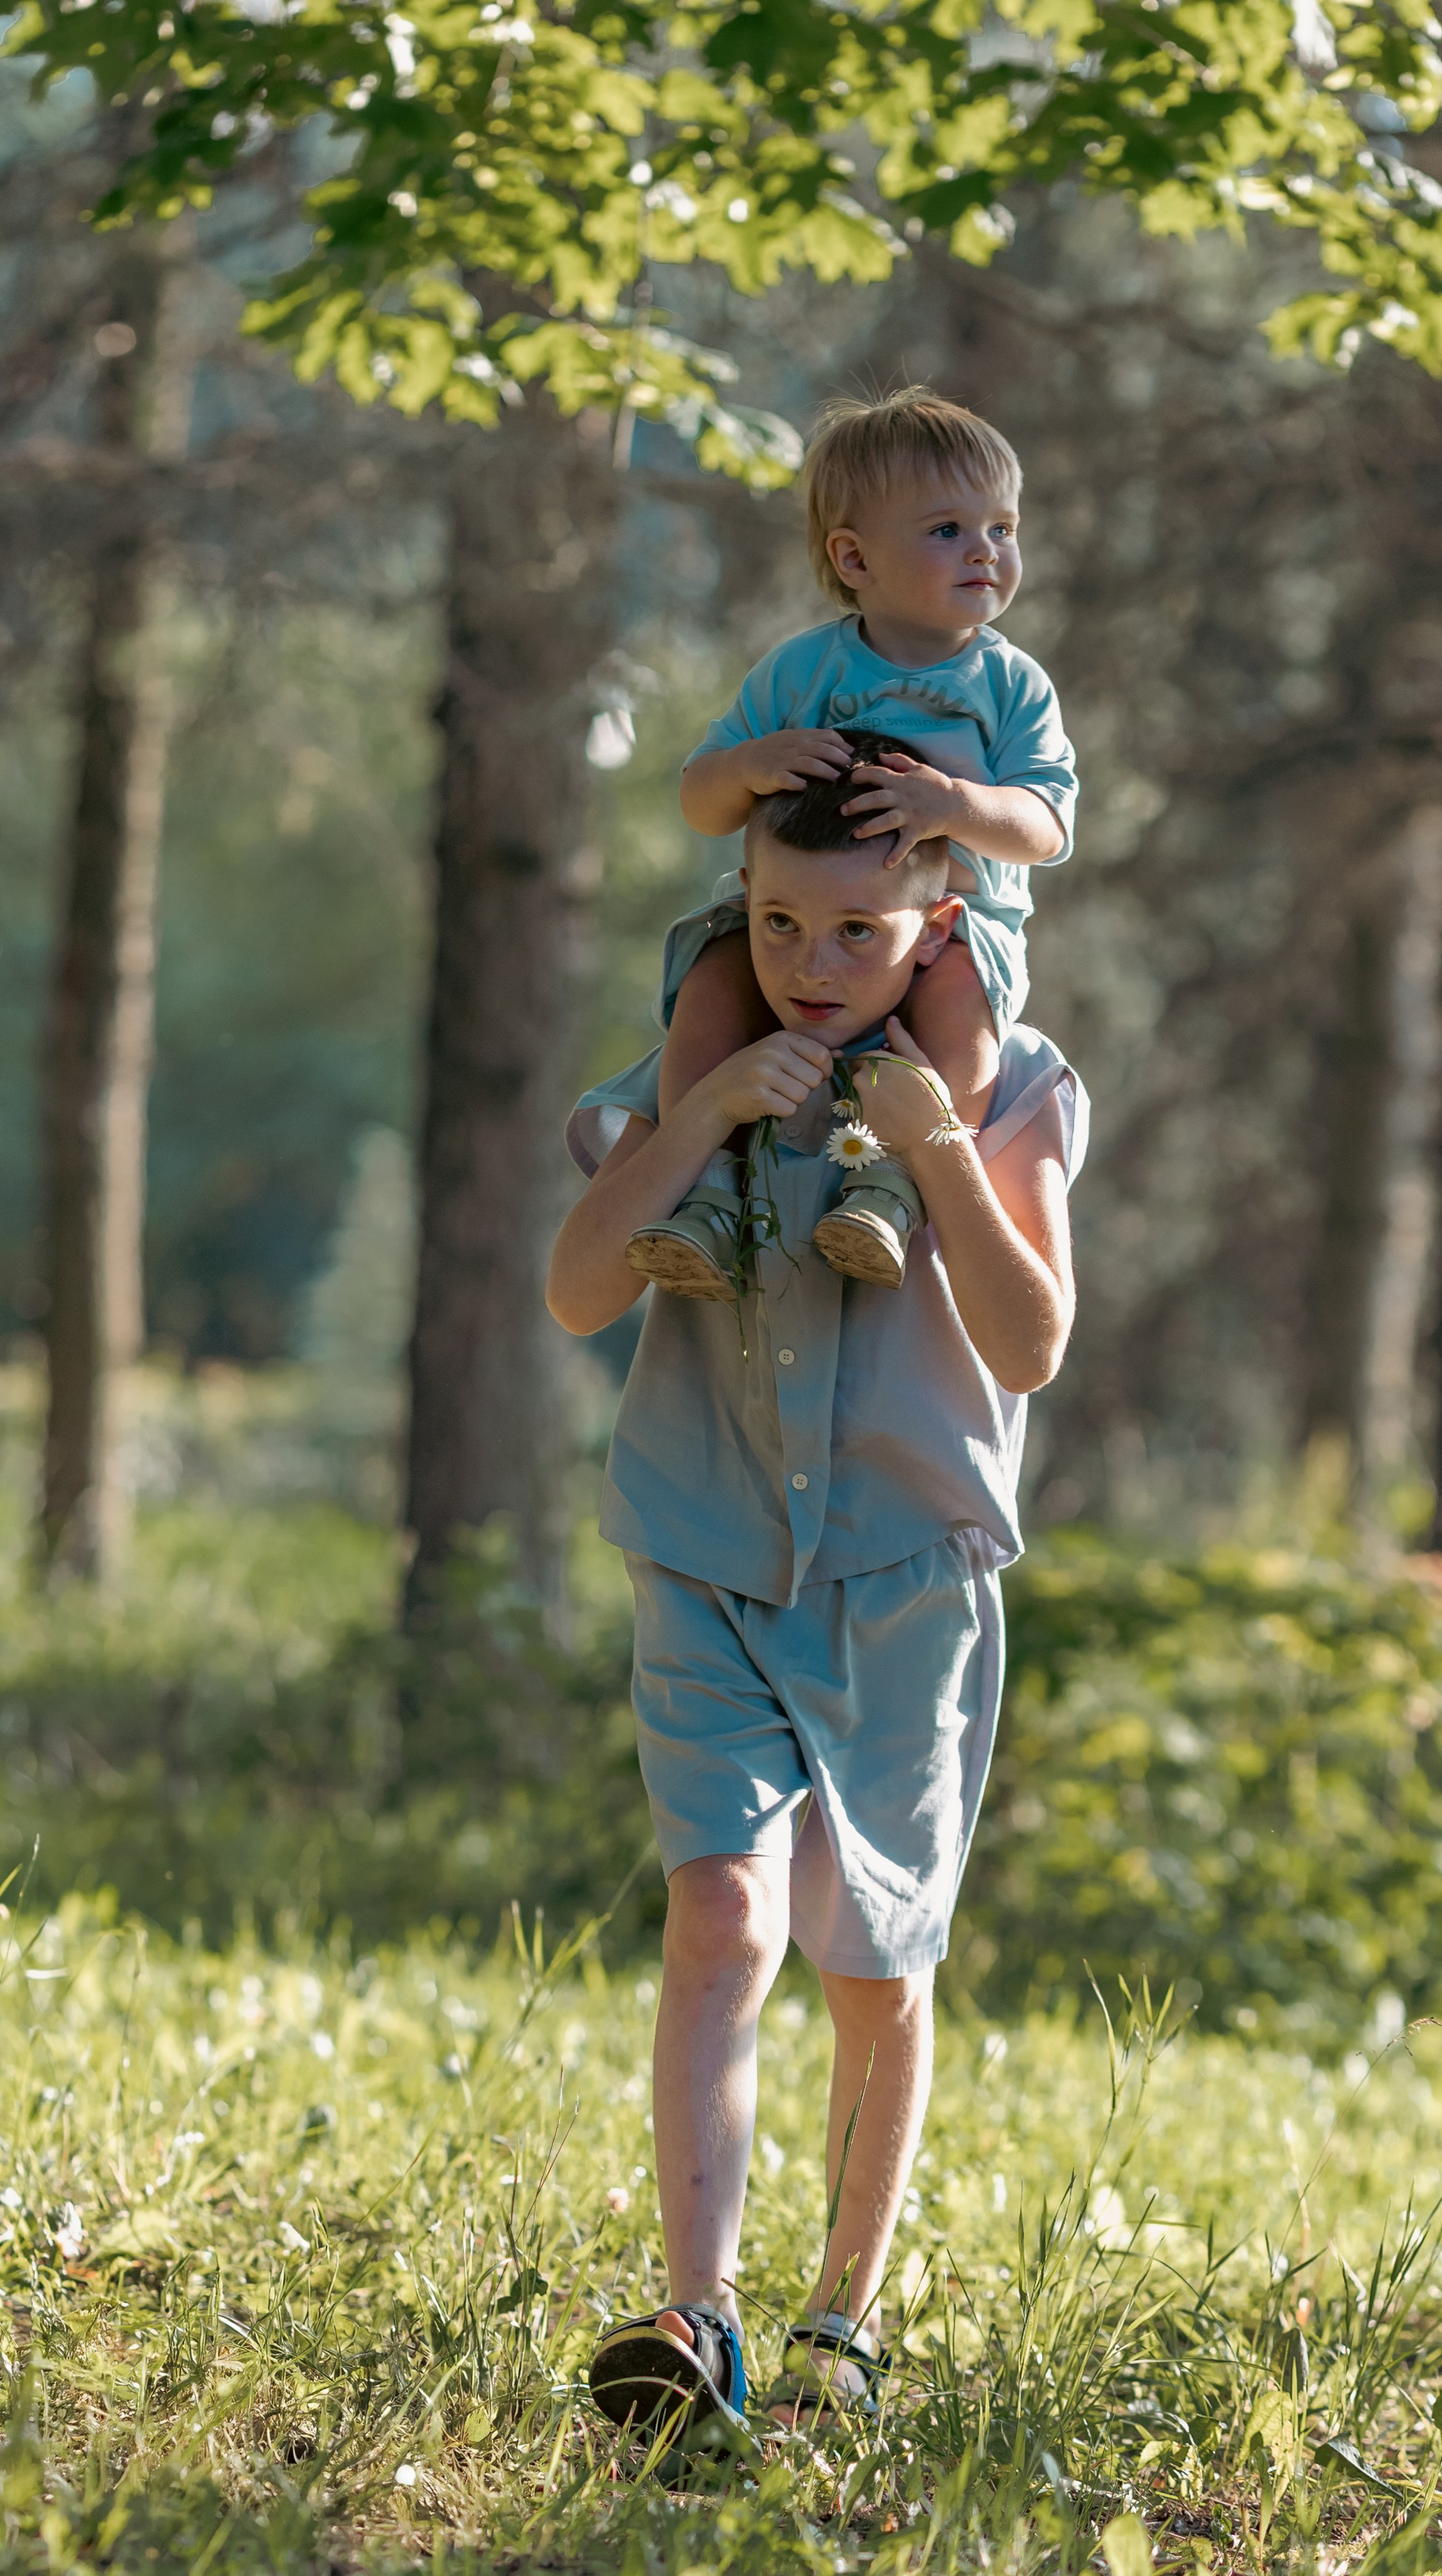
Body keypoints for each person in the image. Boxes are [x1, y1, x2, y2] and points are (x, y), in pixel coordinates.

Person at [547, 751, 1085, 2450]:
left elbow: (1027, 1344)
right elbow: (574, 1294)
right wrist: (699, 1113)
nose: (808, 960)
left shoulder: (1009, 1092)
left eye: (855, 928)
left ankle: (834, 2321)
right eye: (776, 921)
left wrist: (931, 1157)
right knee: (719, 1916)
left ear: (937, 927)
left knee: (871, 1966)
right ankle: (690, 2314)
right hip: (702, 1553)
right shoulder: (698, 1073)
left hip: (895, 1585)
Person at [631, 384, 1076, 1300]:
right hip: (798, 919)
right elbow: (700, 801)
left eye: (1003, 527)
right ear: (853, 557)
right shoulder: (801, 671)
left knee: (963, 1017)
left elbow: (1044, 829)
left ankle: (891, 1189)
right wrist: (757, 759)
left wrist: (953, 804)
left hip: (947, 930)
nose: (986, 551)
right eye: (948, 529)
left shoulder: (1010, 686)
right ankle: (705, 1188)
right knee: (713, 976)